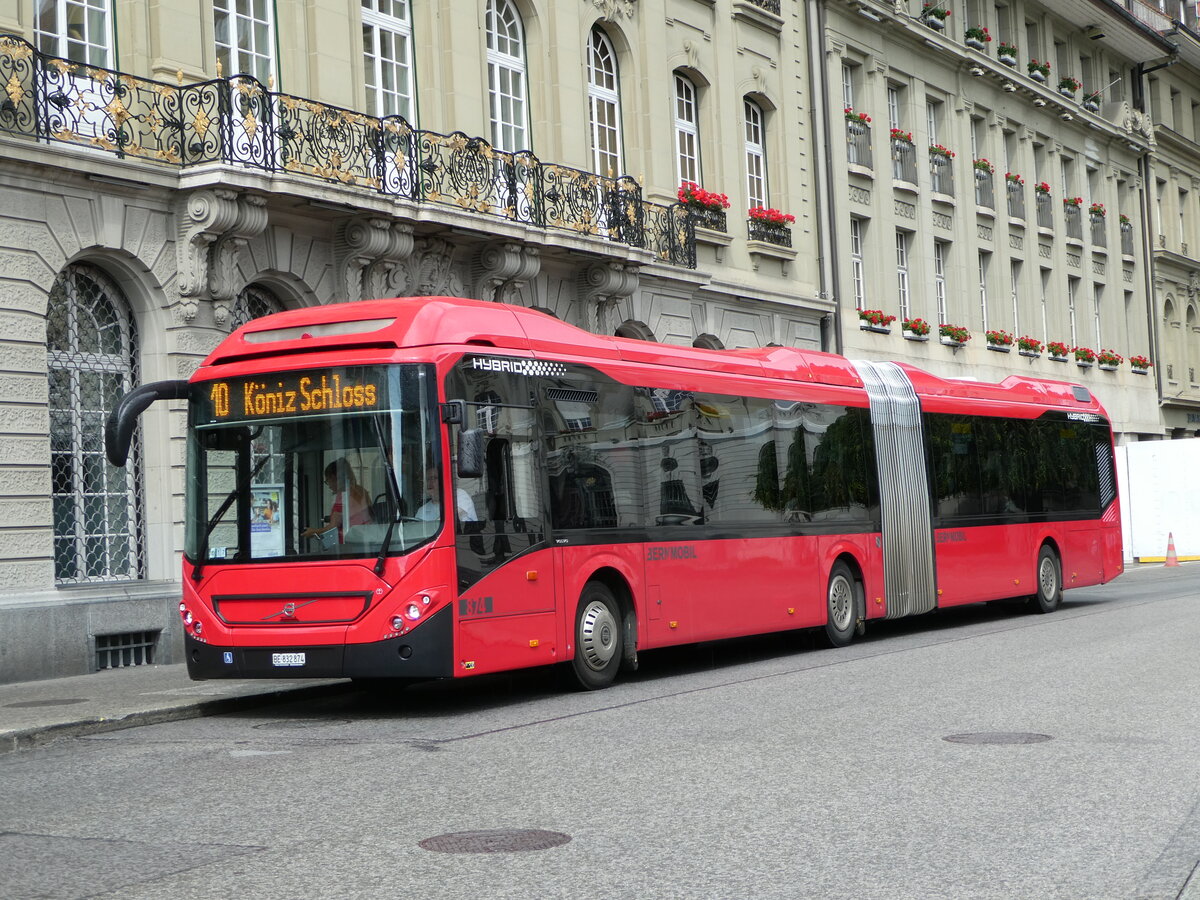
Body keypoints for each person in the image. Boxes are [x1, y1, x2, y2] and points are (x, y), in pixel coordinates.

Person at [302, 458, 372, 545]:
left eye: (327, 481)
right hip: (364, 540)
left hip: (350, 543)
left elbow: (333, 527)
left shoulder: (344, 494)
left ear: (333, 477)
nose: (329, 486)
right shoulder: (361, 491)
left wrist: (314, 532)